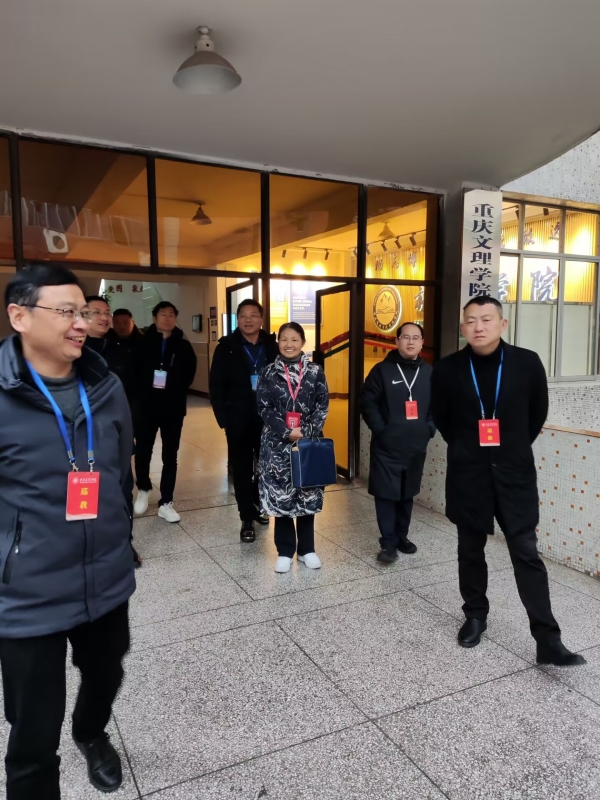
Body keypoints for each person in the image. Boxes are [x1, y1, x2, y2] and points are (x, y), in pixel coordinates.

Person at [0, 265, 135, 798]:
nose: (82, 323)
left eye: (84, 311)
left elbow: (120, 474)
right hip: (28, 592)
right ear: (19, 317)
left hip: (106, 577)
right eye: (66, 312)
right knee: (33, 731)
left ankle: (91, 731)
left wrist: (121, 539)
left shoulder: (106, 387)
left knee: (106, 673)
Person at [430, 295, 585, 667]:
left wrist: (508, 449)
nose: (478, 326)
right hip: (469, 475)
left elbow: (536, 413)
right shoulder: (448, 369)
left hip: (514, 475)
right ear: (462, 327)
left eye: (486, 319)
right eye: (471, 320)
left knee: (526, 553)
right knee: (470, 550)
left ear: (503, 324)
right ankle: (475, 615)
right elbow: (443, 419)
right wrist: (471, 450)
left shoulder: (526, 363)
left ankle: (548, 639)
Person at [256, 322, 329, 573]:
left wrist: (305, 431)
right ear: (278, 342)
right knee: (281, 495)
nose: (289, 344)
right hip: (276, 444)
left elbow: (322, 405)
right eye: (284, 339)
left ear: (303, 343)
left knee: (307, 492)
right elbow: (263, 407)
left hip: (308, 442)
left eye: (294, 339)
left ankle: (307, 549)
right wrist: (286, 431)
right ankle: (285, 551)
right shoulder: (268, 372)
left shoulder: (315, 371)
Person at [361, 322, 435, 563]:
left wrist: (428, 429)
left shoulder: (429, 373)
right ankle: (388, 543)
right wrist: (382, 430)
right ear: (397, 341)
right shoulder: (382, 371)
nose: (410, 342)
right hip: (387, 446)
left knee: (407, 493)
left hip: (416, 446)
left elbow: (438, 405)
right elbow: (368, 403)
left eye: (416, 338)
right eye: (406, 337)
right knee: (386, 494)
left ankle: (402, 536)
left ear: (422, 343)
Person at [210, 299, 279, 543]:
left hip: (268, 420)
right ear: (237, 320)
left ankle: (258, 503)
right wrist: (224, 418)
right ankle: (246, 517)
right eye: (243, 316)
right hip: (238, 418)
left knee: (267, 467)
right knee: (241, 469)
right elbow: (215, 384)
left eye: (253, 315)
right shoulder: (226, 347)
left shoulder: (272, 346)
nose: (248, 320)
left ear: (261, 319)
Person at [84, 298, 142, 568]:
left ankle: (123, 544)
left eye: (106, 312)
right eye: (96, 312)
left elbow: (132, 392)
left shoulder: (120, 349)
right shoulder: (71, 350)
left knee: (122, 488)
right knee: (86, 491)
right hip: (82, 435)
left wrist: (131, 429)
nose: (104, 317)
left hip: (115, 433)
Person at [132, 301, 197, 523]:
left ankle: (166, 502)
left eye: (171, 314)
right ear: (154, 318)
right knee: (143, 450)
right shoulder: (141, 343)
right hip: (146, 407)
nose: (167, 318)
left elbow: (189, 374)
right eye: (163, 314)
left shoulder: (183, 345)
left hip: (172, 407)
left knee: (170, 455)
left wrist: (173, 389)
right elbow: (134, 374)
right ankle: (143, 487)